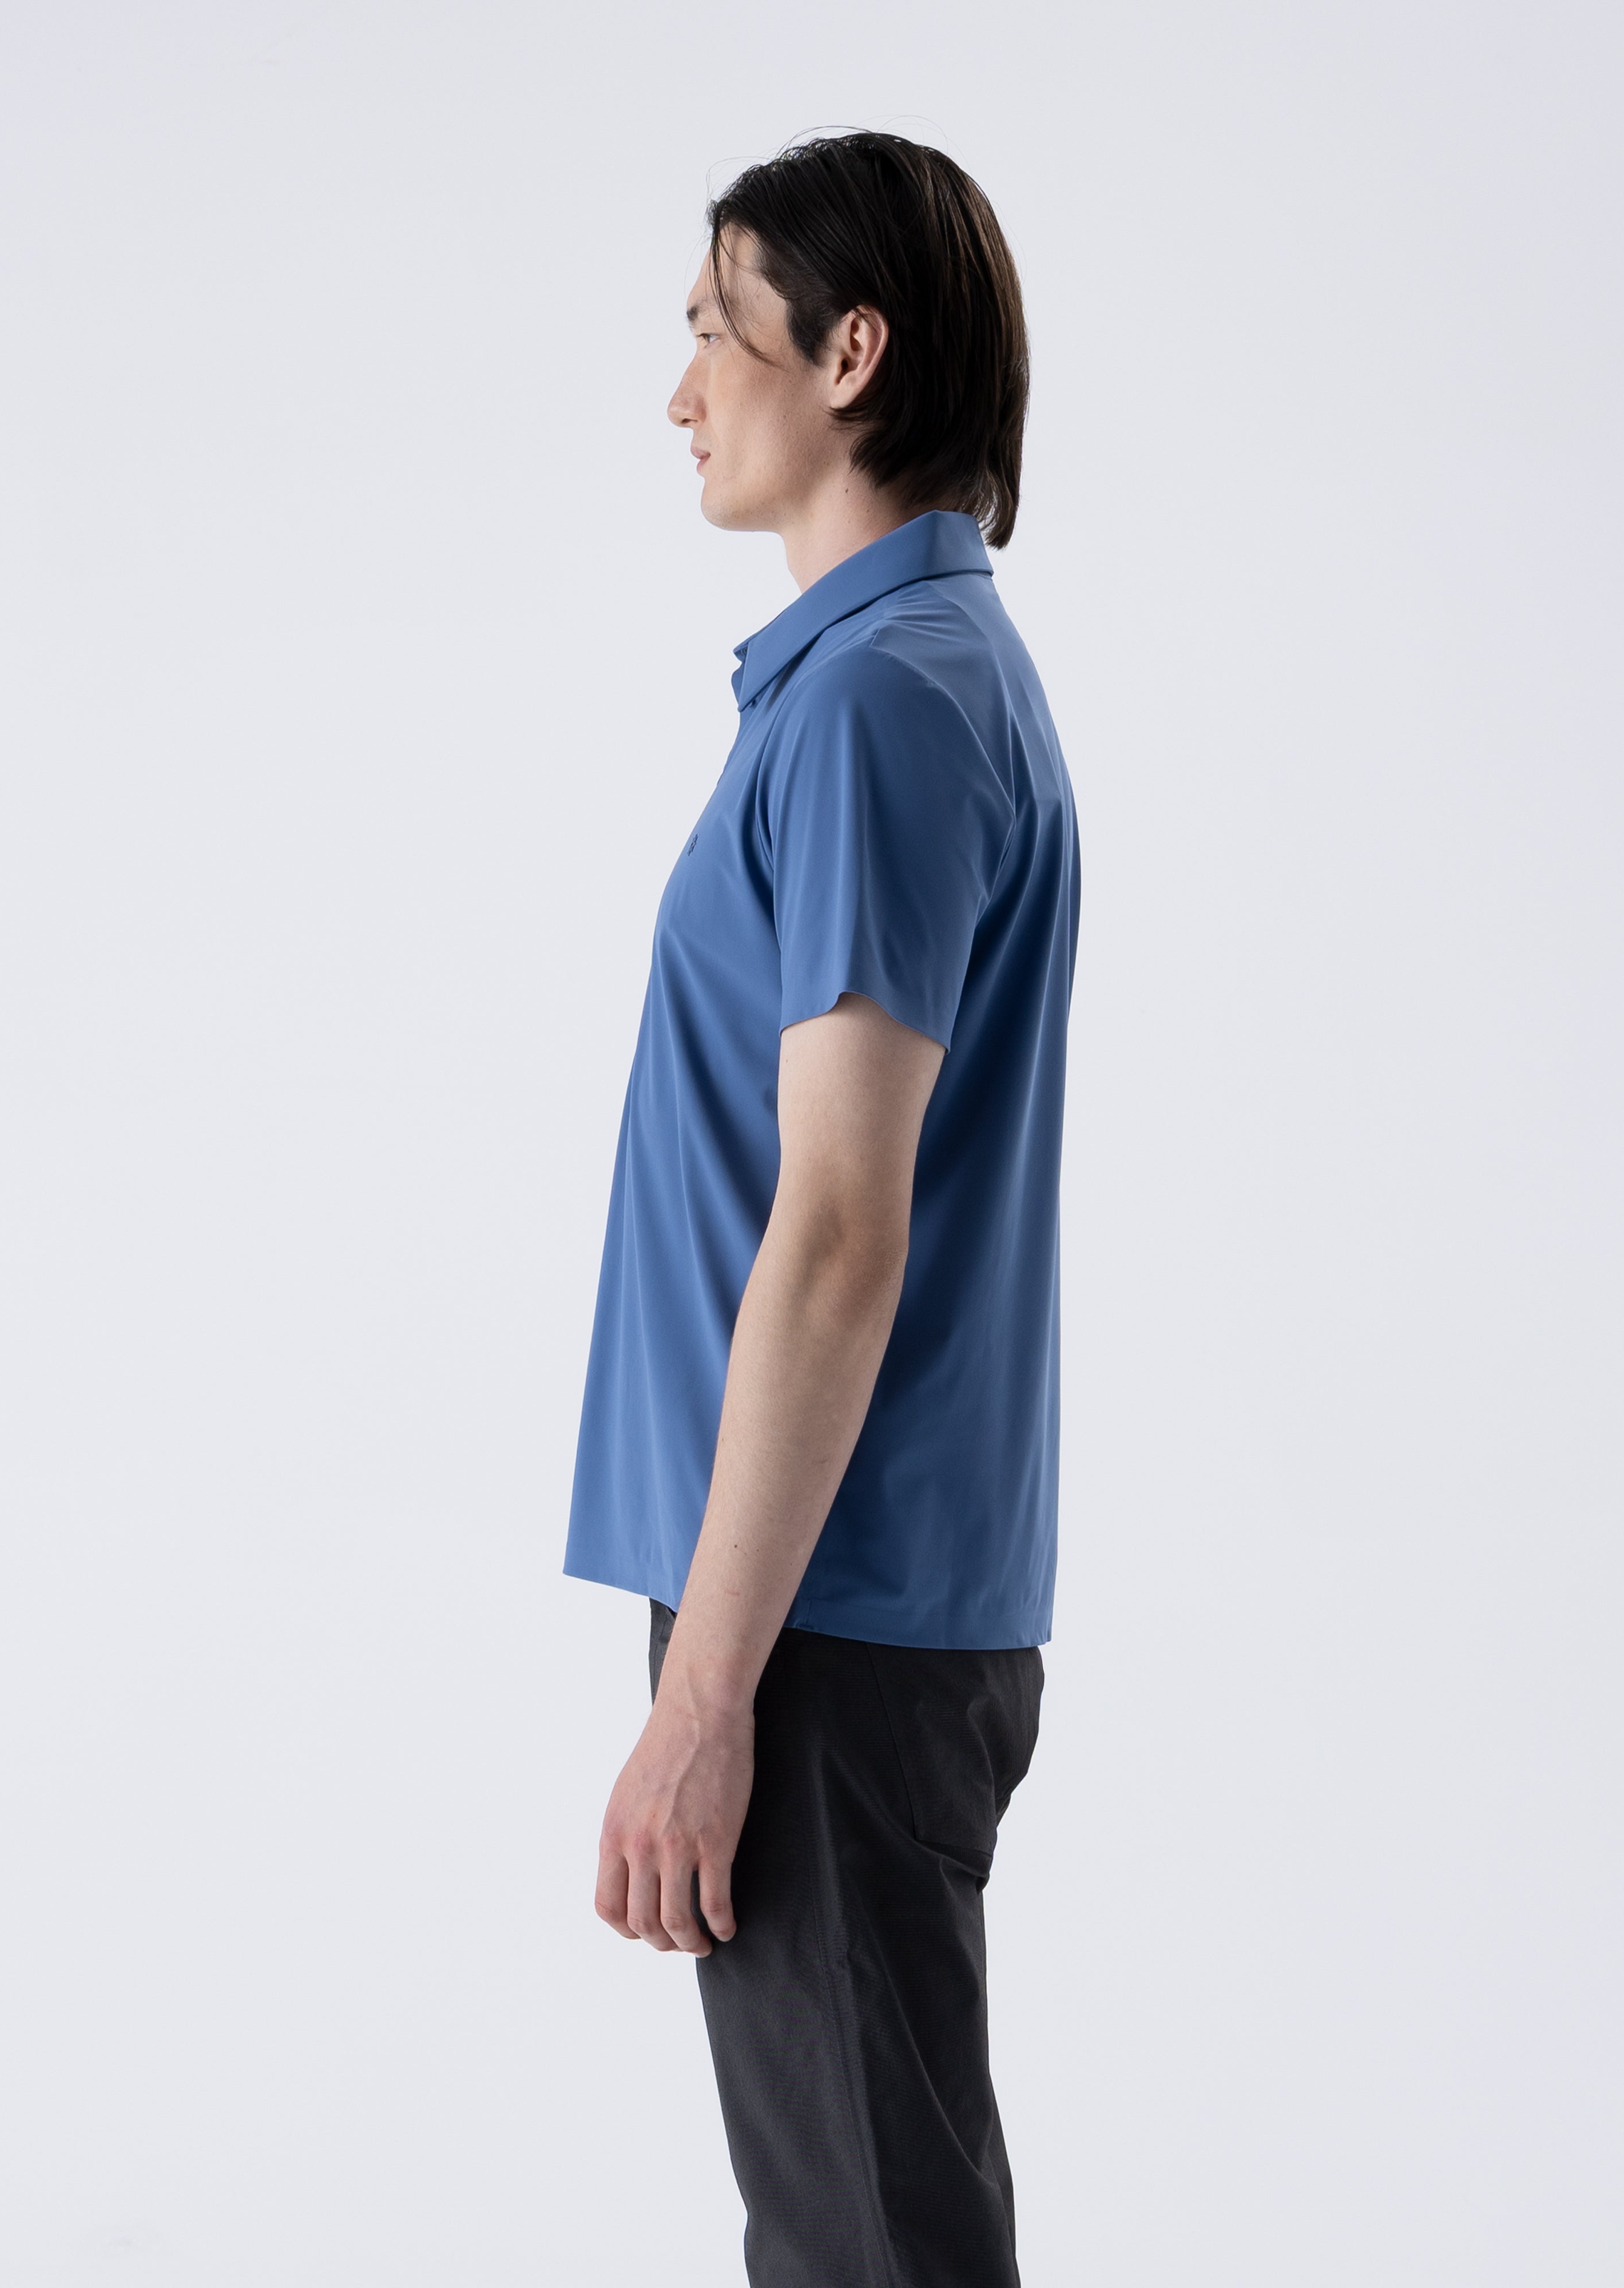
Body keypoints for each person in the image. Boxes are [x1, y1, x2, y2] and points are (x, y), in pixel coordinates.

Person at [564, 130, 1080, 2287]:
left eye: (716, 329)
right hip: (827, 1600)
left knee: (873, 2251)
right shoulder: (896, 677)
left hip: (818, 1620)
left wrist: (709, 1700)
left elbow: (844, 1230)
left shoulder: (879, 703)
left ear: (849, 355)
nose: (681, 389)